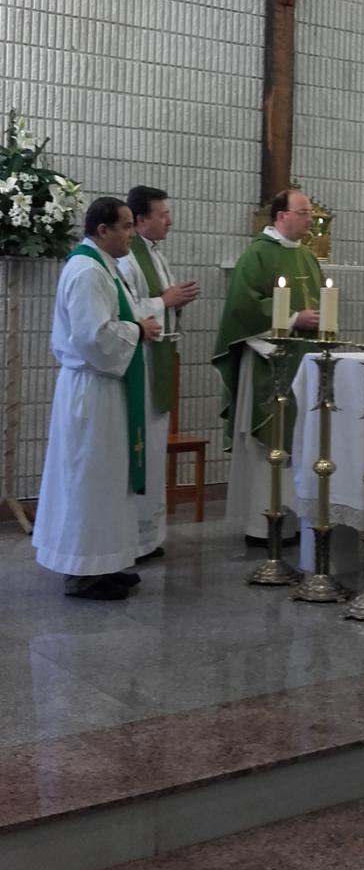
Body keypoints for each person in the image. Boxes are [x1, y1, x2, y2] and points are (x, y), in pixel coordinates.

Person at [33, 198, 161, 599]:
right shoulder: (87, 271)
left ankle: (104, 562)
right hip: (92, 389)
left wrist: (139, 324)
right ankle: (82, 572)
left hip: (108, 388)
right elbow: (94, 338)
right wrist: (138, 330)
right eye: (124, 227)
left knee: (107, 479)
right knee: (89, 480)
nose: (131, 234)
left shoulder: (106, 267)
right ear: (102, 230)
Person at [213, 188, 322, 543]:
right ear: (280, 216)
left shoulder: (307, 257)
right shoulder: (257, 254)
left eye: (310, 214)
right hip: (267, 362)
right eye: (303, 213)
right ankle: (261, 524)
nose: (310, 220)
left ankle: (293, 519)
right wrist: (293, 318)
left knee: (300, 439)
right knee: (268, 442)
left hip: (302, 360)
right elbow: (242, 309)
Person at [119, 186, 200, 561]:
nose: (170, 220)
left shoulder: (154, 254)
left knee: (153, 449)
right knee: (140, 449)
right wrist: (165, 301)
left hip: (160, 359)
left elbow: (161, 304)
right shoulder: (127, 259)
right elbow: (125, 308)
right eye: (163, 214)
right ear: (140, 220)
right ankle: (132, 538)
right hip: (141, 364)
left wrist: (174, 303)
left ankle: (149, 537)